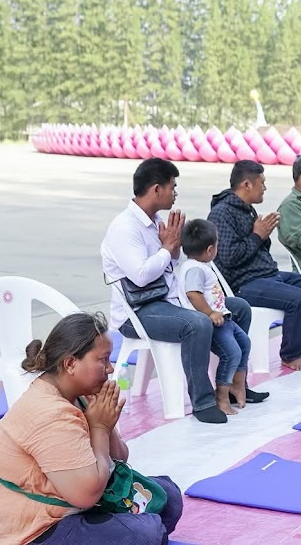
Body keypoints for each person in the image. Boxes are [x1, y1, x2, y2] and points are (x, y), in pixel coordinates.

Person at [0, 312, 183, 545]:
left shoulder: (78, 396)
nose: (110, 369)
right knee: (143, 533)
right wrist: (99, 427)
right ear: (70, 363)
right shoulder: (49, 413)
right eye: (103, 360)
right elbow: (86, 495)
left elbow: (119, 458)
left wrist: (105, 425)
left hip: (65, 512)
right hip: (27, 534)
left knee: (167, 497)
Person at [101, 157, 254, 424]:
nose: (175, 194)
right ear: (156, 189)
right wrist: (166, 248)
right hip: (138, 310)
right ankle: (203, 402)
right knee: (197, 324)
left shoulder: (156, 221)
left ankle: (232, 382)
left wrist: (169, 251)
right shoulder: (125, 227)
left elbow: (168, 266)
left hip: (167, 298)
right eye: (172, 187)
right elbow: (140, 276)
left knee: (237, 308)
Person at [208, 159, 301, 373]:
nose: (265, 188)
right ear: (247, 185)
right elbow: (228, 257)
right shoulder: (221, 213)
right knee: (299, 299)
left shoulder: (248, 210)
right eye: (261, 183)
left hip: (268, 274)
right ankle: (291, 354)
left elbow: (257, 249)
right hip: (244, 283)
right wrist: (257, 235)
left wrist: (263, 235)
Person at [174, 219, 255, 415]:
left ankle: (237, 385)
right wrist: (209, 313)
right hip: (214, 322)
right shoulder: (195, 269)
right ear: (210, 249)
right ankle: (222, 395)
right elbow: (193, 293)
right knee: (232, 353)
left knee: (244, 343)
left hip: (223, 318)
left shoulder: (201, 265)